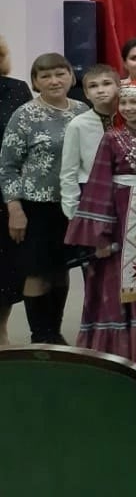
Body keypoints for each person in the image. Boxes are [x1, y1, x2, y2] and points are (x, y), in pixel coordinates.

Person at [1, 53, 88, 344]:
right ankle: (40, 335)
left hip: (71, 205)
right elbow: (8, 166)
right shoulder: (24, 115)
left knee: (61, 269)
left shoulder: (81, 110)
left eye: (60, 73)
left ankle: (55, 332)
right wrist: (14, 209)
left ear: (70, 76)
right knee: (38, 271)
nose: (54, 80)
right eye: (45, 76)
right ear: (35, 82)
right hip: (35, 207)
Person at [66, 82, 136, 361]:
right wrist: (100, 234)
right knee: (115, 280)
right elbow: (99, 183)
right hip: (120, 218)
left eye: (134, 102)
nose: (128, 108)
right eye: (123, 103)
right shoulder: (111, 138)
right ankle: (121, 349)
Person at [0, 36, 33, 343]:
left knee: (6, 267)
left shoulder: (17, 89)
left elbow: (28, 142)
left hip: (7, 190)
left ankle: (1, 333)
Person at [59, 64, 119, 221]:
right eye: (93, 86)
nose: (100, 90)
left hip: (125, 192)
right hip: (91, 192)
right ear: (86, 93)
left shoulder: (130, 119)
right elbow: (69, 171)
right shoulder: (78, 124)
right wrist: (72, 209)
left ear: (118, 87)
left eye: (107, 83)